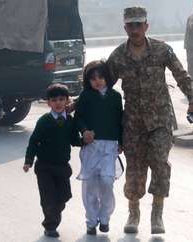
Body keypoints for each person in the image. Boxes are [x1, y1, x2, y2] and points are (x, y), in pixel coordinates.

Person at [106, 7, 193, 234]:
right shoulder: (118, 56)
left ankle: (157, 214)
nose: (135, 29)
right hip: (132, 124)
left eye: (139, 24)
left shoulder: (162, 50)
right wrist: (78, 105)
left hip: (160, 120)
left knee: (159, 164)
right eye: (130, 25)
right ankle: (134, 213)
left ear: (146, 26)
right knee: (135, 169)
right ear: (125, 27)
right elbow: (101, 87)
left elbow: (181, 75)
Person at [23, 84, 81, 238]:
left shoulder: (70, 120)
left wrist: (85, 141)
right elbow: (34, 141)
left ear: (67, 101)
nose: (58, 103)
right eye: (54, 100)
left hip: (62, 167)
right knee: (48, 198)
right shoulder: (44, 121)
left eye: (61, 99)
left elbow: (75, 139)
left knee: (63, 197)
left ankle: (53, 214)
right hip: (44, 167)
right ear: (48, 103)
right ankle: (50, 226)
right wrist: (28, 160)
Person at [74, 60, 123, 235]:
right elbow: (77, 117)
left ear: (107, 78)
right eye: (93, 78)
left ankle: (105, 218)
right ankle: (91, 221)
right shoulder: (85, 96)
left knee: (107, 182)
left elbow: (120, 121)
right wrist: (84, 131)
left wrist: (121, 142)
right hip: (91, 147)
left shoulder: (116, 97)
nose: (98, 81)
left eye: (101, 77)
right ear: (88, 81)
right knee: (90, 186)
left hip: (110, 146)